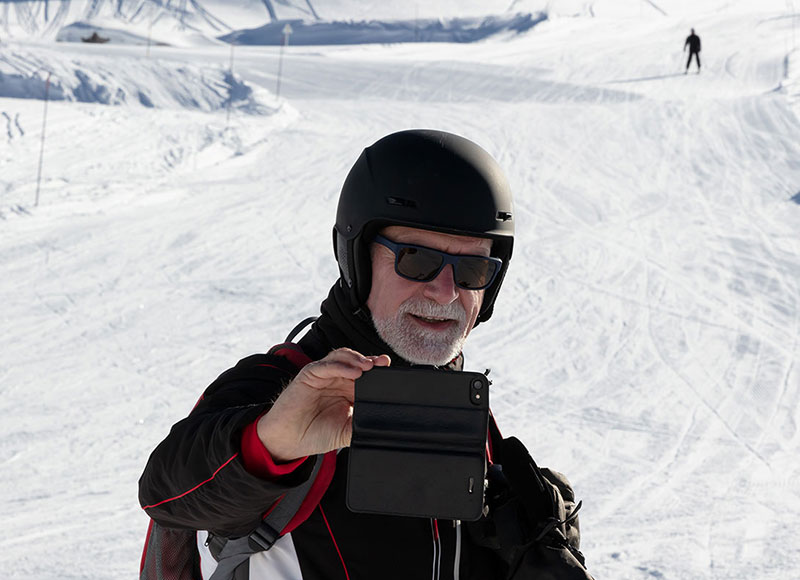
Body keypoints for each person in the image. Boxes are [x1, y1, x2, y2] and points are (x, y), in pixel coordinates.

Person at [138, 129, 593, 580]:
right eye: (416, 259)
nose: (445, 291)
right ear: (356, 257)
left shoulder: (466, 418)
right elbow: (167, 491)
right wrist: (271, 443)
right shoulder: (281, 387)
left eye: (473, 268)